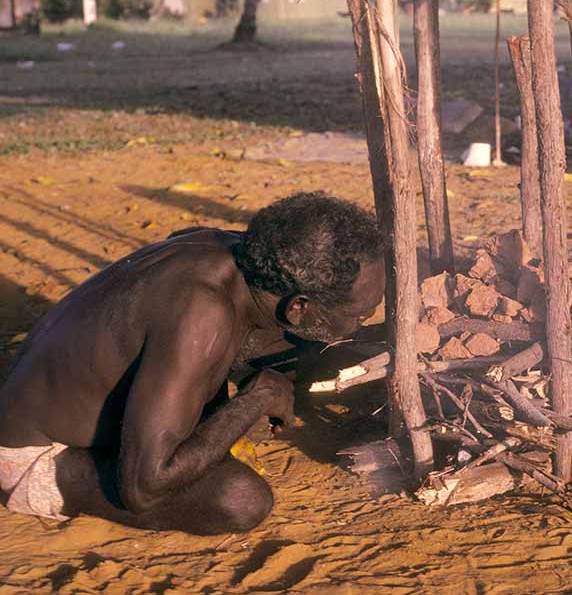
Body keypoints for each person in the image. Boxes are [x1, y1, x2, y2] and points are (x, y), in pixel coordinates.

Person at [0, 192, 385, 534]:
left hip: (51, 403)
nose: (363, 320)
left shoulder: (236, 253)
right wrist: (257, 397)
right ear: (299, 305)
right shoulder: (201, 315)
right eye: (360, 315)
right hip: (35, 455)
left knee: (289, 351)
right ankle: (48, 485)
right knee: (240, 499)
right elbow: (145, 488)